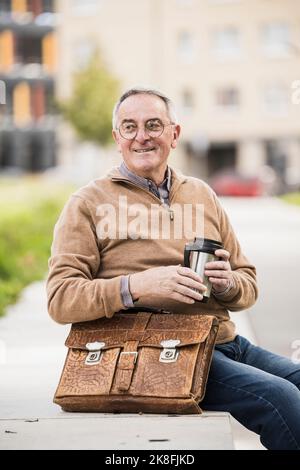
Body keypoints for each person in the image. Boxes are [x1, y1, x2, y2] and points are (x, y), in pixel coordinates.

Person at [47, 87, 300, 450]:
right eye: (129, 127)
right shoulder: (87, 202)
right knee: (281, 398)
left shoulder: (201, 193)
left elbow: (248, 281)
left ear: (174, 134)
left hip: (223, 340)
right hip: (157, 350)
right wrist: (137, 286)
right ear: (117, 138)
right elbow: (60, 298)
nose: (142, 137)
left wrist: (228, 284)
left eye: (153, 125)